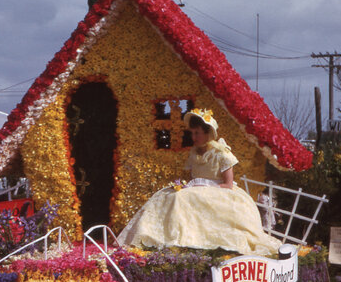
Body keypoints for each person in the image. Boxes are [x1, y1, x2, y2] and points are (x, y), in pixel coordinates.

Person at [117, 108, 281, 256]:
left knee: (181, 198)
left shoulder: (221, 153)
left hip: (220, 193)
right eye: (192, 133)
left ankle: (184, 242)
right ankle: (152, 238)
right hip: (196, 193)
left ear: (208, 134)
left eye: (197, 133)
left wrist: (203, 186)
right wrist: (186, 186)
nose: (194, 137)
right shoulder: (194, 154)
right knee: (169, 195)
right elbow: (190, 180)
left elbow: (228, 185)